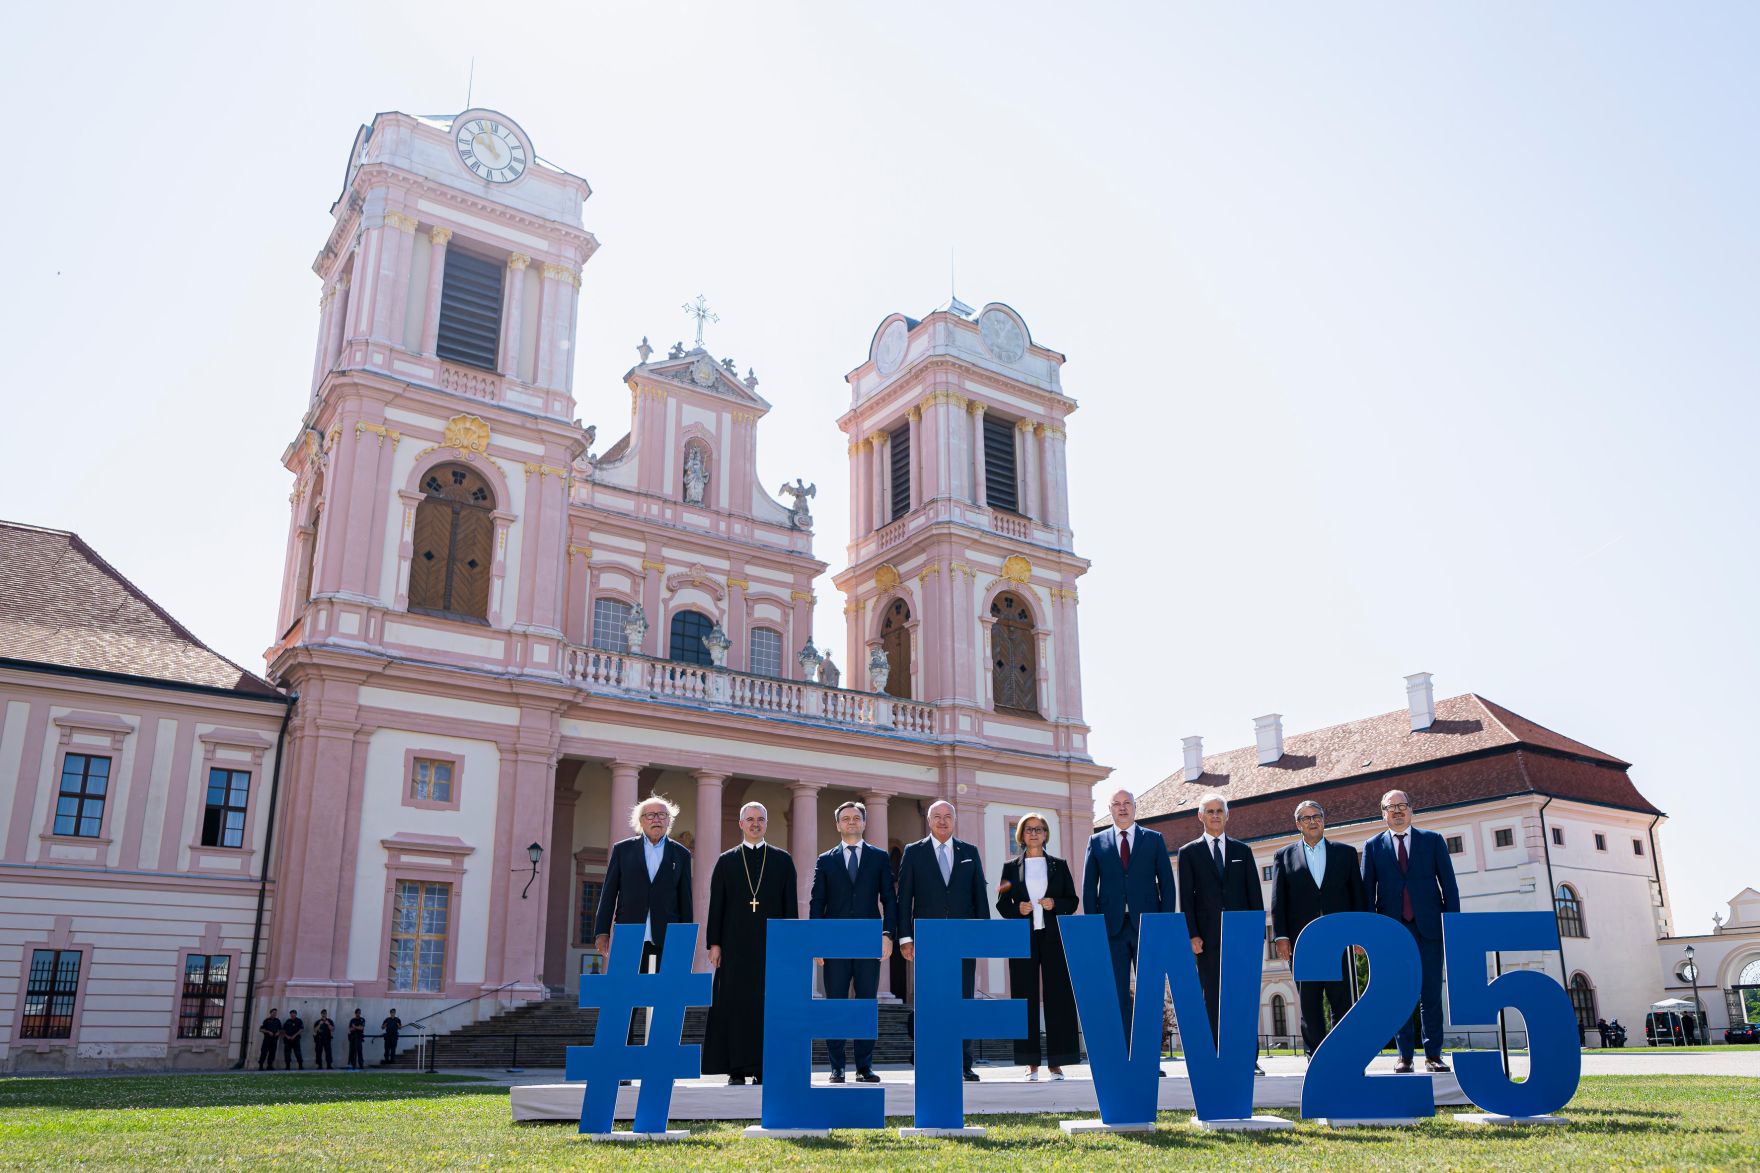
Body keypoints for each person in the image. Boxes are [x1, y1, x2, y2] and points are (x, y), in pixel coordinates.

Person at [1360, 788, 1460, 1073]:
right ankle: (1405, 1056)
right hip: (1392, 932)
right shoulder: (1372, 846)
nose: (1397, 811)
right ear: (1383, 814)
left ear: (1412, 810)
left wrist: (1453, 926)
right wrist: (1370, 933)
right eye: (1391, 807)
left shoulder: (1433, 841)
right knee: (1399, 994)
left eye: (1402, 805)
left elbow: (1449, 887)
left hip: (1429, 928)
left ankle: (1433, 1055)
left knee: (1430, 994)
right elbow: (1367, 891)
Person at [704, 801, 798, 1086]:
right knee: (734, 1006)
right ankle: (736, 1069)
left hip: (772, 948)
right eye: (750, 819)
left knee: (767, 1007)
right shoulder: (726, 861)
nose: (755, 823)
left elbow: (790, 907)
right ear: (741, 824)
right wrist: (714, 944)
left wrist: (790, 946)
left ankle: (763, 1067)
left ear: (766, 824)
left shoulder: (782, 861)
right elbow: (716, 906)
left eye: (760, 819)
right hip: (734, 948)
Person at [896, 799, 989, 1082]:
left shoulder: (969, 852)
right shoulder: (913, 852)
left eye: (948, 816)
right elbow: (904, 900)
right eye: (937, 816)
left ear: (955, 820)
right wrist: (905, 938)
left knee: (964, 1000)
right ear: (928, 820)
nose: (943, 821)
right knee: (929, 1001)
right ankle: (929, 1060)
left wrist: (981, 936)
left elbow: (980, 899)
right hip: (928, 941)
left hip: (963, 941)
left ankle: (964, 1063)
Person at [1176, 791, 1266, 1074]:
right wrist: (1192, 934)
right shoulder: (1188, 852)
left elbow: (1255, 895)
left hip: (1241, 938)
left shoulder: (1243, 851)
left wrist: (1256, 933)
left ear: (1228, 815)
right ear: (1200, 816)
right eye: (1210, 811)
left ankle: (1248, 1058)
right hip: (1207, 939)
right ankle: (1215, 1056)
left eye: (1220, 811)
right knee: (1212, 997)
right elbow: (1186, 898)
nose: (1215, 815)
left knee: (1244, 997)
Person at [809, 800, 898, 1084]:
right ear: (837, 824)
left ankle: (864, 1066)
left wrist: (887, 935)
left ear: (864, 823)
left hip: (868, 940)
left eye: (856, 818)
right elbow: (817, 902)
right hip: (834, 942)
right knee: (835, 1004)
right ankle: (836, 1067)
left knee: (865, 1004)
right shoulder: (825, 860)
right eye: (845, 818)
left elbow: (889, 899)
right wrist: (816, 942)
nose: (851, 822)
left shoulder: (879, 857)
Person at [594, 794, 693, 1044]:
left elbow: (686, 900)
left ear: (669, 821)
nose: (656, 819)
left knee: (665, 999)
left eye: (662, 815)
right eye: (650, 815)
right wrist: (601, 931)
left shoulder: (680, 854)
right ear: (641, 821)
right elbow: (609, 893)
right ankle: (623, 1062)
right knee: (624, 1000)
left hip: (667, 937)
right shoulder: (623, 850)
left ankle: (661, 1057)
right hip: (630, 935)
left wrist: (685, 941)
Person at [1270, 799, 1365, 1056]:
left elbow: (1358, 895)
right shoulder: (1284, 856)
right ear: (1298, 824)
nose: (1313, 821)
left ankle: (1344, 1052)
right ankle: (1315, 1054)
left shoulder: (1345, 853)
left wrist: (1360, 935)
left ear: (1324, 820)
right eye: (1307, 818)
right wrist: (1281, 936)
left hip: (1339, 939)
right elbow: (1279, 900)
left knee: (1342, 999)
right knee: (1309, 1002)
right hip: (1304, 941)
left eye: (1317, 816)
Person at [1082, 789, 1177, 1044]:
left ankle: (1149, 1057)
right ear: (1110, 809)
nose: (1122, 808)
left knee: (1150, 992)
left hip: (1147, 926)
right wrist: (1093, 928)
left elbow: (1167, 884)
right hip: (1111, 929)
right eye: (1117, 804)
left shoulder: (1154, 839)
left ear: (1135, 807)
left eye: (1127, 804)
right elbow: (1089, 888)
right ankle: (1123, 1054)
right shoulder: (1097, 841)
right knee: (1116, 993)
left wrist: (1163, 924)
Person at [997, 812, 1079, 1080]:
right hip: (1023, 939)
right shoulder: (1010, 868)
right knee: (1024, 997)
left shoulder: (1059, 865)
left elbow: (1073, 900)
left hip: (1053, 937)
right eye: (1029, 829)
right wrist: (1015, 908)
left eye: (1039, 829)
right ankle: (1029, 1061)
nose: (1034, 833)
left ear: (1045, 834)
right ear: (1021, 834)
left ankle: (1057, 1062)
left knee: (1058, 997)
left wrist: (1055, 903)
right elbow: (1001, 904)